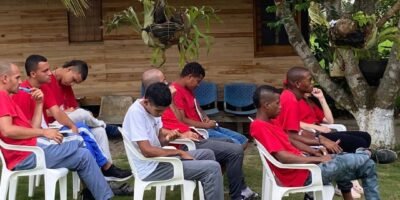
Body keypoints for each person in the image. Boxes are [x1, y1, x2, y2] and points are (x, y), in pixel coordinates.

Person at [0, 61, 113, 200]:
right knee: (80, 138)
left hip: (30, 151)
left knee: (83, 155)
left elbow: (33, 128)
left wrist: (39, 104)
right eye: (17, 77)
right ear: (5, 78)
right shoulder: (2, 97)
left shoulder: (6, 97)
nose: (20, 81)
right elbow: (7, 130)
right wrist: (44, 132)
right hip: (26, 155)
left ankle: (100, 195)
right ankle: (107, 168)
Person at [142, 68, 259, 200]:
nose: (168, 83)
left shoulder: (159, 104)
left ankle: (228, 189)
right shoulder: (151, 108)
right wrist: (181, 138)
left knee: (230, 146)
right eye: (164, 81)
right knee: (233, 151)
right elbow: (150, 145)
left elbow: (162, 129)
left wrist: (172, 102)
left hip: (189, 137)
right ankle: (237, 194)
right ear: (155, 86)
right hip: (181, 146)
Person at [11, 55, 131, 182]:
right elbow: (30, 124)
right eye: (45, 71)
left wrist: (71, 123)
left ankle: (106, 174)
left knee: (97, 132)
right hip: (45, 134)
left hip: (54, 128)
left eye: (49, 69)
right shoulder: (26, 91)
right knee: (82, 123)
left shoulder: (47, 86)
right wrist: (70, 123)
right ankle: (104, 165)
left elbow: (59, 110)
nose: (49, 73)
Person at [250, 85, 381, 200]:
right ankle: (370, 154)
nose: (281, 106)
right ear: (266, 105)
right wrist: (317, 159)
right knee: (348, 160)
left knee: (368, 166)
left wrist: (314, 152)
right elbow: (284, 157)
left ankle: (367, 156)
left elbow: (291, 140)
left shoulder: (270, 123)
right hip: (304, 174)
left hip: (307, 167)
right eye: (277, 103)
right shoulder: (260, 127)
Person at [274, 66, 397, 164]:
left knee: (365, 136)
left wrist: (320, 137)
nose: (313, 83)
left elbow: (327, 121)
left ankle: (365, 156)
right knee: (358, 141)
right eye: (310, 80)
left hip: (313, 135)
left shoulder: (298, 99)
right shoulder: (289, 99)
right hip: (306, 140)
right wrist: (320, 140)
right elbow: (290, 135)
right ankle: (368, 157)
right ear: (298, 84)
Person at [122, 82, 224, 200]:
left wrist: (168, 139)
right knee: (213, 168)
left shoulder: (152, 107)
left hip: (159, 160)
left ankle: (207, 193)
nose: (160, 114)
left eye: (163, 111)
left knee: (208, 153)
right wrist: (179, 152)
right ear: (146, 102)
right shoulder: (136, 113)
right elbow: (147, 151)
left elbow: (159, 140)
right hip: (151, 168)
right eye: (158, 111)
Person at [168, 62, 248, 148]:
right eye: (198, 81)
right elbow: (182, 120)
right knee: (235, 144)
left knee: (243, 140)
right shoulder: (175, 91)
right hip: (198, 131)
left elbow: (198, 108)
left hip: (205, 126)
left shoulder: (188, 89)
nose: (198, 85)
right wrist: (205, 125)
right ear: (190, 77)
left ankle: (227, 158)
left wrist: (205, 117)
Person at [50, 59, 121, 138]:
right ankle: (108, 127)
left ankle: (105, 135)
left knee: (100, 131)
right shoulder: (47, 81)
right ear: (69, 69)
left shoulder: (66, 85)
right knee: (82, 113)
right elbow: (44, 113)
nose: (72, 84)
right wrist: (65, 112)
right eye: (73, 79)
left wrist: (85, 114)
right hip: (52, 124)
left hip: (66, 122)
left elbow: (74, 107)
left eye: (75, 82)